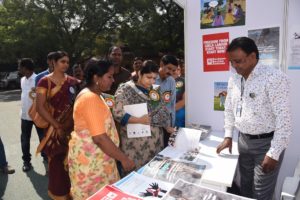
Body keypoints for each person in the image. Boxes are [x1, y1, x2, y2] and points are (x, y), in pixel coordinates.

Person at [216, 37, 292, 200]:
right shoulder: (234, 79)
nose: (234, 66)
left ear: (252, 57)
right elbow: (229, 108)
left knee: (260, 194)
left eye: (238, 61)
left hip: (266, 145)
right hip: (243, 142)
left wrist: (274, 153)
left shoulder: (274, 78)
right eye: (232, 62)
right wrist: (228, 135)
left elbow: (284, 120)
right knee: (245, 188)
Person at [68, 59, 135, 200]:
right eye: (109, 76)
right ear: (96, 78)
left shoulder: (94, 95)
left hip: (97, 159)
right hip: (92, 163)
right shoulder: (90, 98)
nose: (113, 80)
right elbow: (99, 138)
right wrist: (124, 159)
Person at [113, 60, 173, 173]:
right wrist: (139, 120)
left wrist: (167, 127)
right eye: (148, 77)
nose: (152, 81)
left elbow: (162, 111)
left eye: (154, 78)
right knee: (135, 176)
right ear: (140, 73)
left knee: (153, 174)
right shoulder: (126, 89)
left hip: (155, 143)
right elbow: (118, 113)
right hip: (135, 146)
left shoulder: (154, 90)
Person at [36, 51, 80, 200]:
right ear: (53, 62)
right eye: (62, 61)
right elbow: (40, 107)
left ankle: (75, 194)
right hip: (54, 131)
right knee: (56, 165)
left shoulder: (74, 82)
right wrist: (57, 125)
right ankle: (60, 195)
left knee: (74, 163)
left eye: (67, 62)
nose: (66, 65)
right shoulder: (44, 81)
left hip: (73, 130)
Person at [18, 58, 47, 172]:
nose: (19, 69)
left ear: (25, 68)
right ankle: (26, 161)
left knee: (42, 138)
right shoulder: (22, 80)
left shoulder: (38, 79)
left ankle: (46, 157)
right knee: (25, 139)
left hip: (37, 115)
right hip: (25, 116)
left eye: (20, 67)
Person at [155, 55, 177, 147]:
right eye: (169, 68)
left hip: (168, 124)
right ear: (161, 64)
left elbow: (172, 104)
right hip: (155, 124)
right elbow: (153, 106)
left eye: (173, 70)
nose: (171, 72)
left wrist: (172, 123)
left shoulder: (171, 81)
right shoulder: (152, 80)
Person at [172, 61, 185, 128]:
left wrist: (170, 111)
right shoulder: (162, 81)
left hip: (178, 110)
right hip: (164, 111)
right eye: (174, 69)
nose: (175, 71)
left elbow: (184, 101)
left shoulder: (184, 81)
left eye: (178, 69)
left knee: (180, 115)